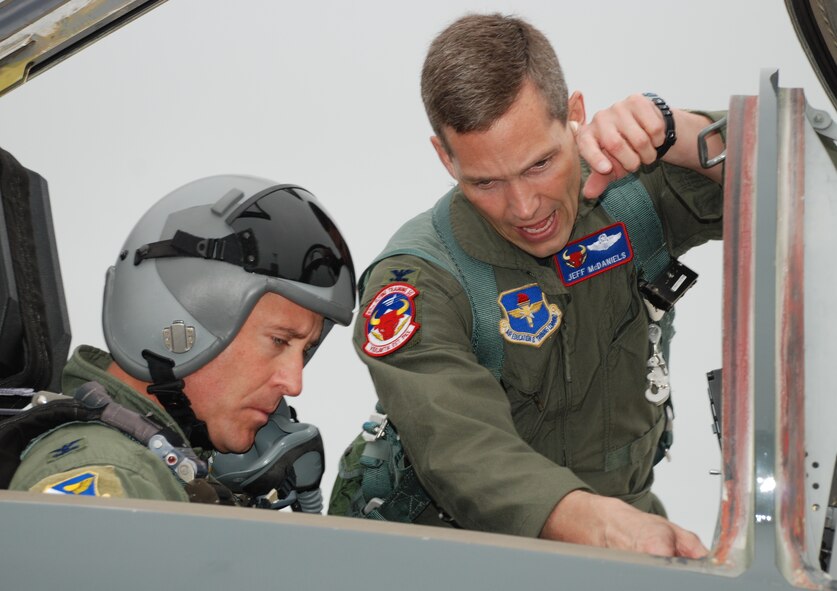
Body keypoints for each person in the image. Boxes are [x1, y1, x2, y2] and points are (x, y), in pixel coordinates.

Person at [330, 13, 725, 558]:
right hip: (456, 558)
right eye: (485, 181)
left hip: (627, 534)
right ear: (445, 158)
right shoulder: (416, 284)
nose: (524, 208)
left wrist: (680, 133)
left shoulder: (629, 194)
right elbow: (464, 452)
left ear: (575, 117)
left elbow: (812, 174)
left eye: (540, 164)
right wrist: (604, 528)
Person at [6, 175, 355, 503]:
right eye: (279, 341)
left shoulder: (168, 475)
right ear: (177, 325)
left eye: (304, 350)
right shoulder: (110, 477)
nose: (294, 384)